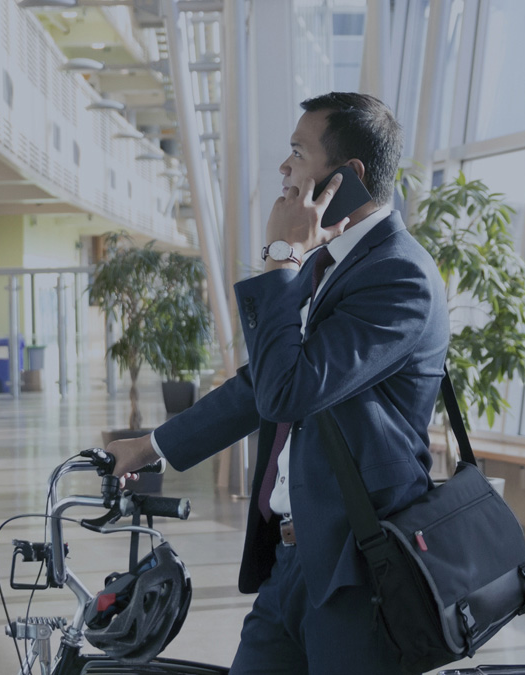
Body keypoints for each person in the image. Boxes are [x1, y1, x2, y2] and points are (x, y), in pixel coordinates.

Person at [104, 91, 446, 674]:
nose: (284, 168)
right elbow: (259, 385)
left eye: (297, 152)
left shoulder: (400, 274)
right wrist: (153, 445)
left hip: (357, 569)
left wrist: (280, 256)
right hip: (294, 560)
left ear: (348, 175)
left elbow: (289, 391)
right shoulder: (327, 263)